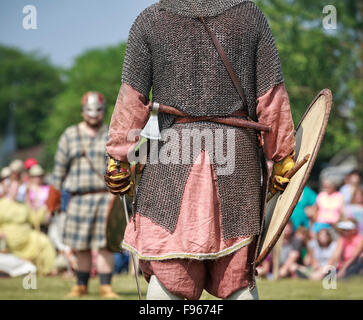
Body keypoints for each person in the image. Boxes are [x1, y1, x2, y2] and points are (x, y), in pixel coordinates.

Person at [105, 0, 296, 300]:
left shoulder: (151, 19)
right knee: (238, 279)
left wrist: (119, 158)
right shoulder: (249, 15)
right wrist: (282, 156)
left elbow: (132, 101)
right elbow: (271, 99)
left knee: (170, 274)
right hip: (237, 157)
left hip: (171, 156)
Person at [47, 91, 119, 298]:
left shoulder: (111, 134)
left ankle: (106, 287)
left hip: (106, 197)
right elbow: (59, 169)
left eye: (98, 110)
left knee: (106, 245)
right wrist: (53, 198)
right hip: (78, 198)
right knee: (80, 246)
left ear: (103, 112)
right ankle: (81, 285)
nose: (94, 114)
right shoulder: (70, 135)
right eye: (89, 110)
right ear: (82, 112)